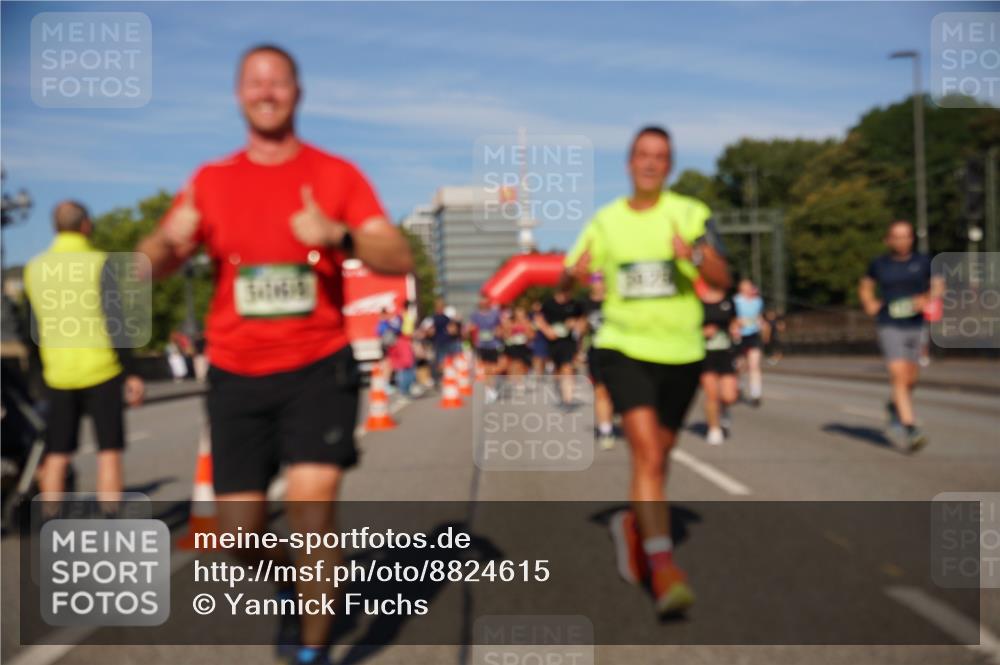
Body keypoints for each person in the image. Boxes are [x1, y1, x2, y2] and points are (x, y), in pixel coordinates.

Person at [136, 44, 413, 665]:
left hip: (318, 367)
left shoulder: (336, 175)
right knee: (238, 538)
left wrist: (339, 236)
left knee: (314, 520)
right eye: (254, 83)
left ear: (298, 91)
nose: (266, 92)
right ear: (239, 95)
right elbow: (161, 250)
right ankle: (294, 586)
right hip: (236, 372)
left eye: (278, 82)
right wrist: (154, 252)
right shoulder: (212, 181)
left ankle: (312, 654)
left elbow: (398, 257)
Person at [565, 125, 730, 616]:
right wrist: (581, 275)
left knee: (660, 454)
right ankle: (663, 567)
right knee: (645, 453)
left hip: (680, 350)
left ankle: (633, 525)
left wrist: (696, 256)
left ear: (670, 165)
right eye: (643, 155)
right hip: (622, 346)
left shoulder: (690, 214)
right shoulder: (606, 220)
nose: (651, 163)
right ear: (629, 164)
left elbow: (723, 276)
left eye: (660, 156)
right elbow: (575, 270)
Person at [24, 201, 145, 499]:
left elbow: (32, 332)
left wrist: (38, 378)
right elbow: (116, 321)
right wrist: (131, 372)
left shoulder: (34, 268)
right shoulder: (99, 262)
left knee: (57, 454)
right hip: (101, 368)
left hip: (58, 373)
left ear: (55, 227)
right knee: (109, 452)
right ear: (86, 225)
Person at [858, 220, 942, 452]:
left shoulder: (923, 261)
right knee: (898, 375)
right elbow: (865, 286)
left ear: (912, 239)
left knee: (910, 378)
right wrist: (869, 303)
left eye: (906, 236)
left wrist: (926, 299)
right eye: (897, 236)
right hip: (889, 323)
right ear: (888, 240)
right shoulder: (879, 264)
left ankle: (895, 407)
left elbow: (938, 285)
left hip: (915, 324)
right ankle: (910, 426)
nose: (902, 240)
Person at [700, 280, 739, 445]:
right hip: (704, 353)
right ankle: (714, 428)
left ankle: (724, 411)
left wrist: (736, 329)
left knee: (729, 396)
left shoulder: (728, 302)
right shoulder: (697, 302)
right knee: (712, 394)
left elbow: (734, 321)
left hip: (725, 353)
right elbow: (686, 326)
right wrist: (702, 331)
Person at [534, 279, 583, 407]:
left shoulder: (575, 304)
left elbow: (582, 319)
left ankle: (568, 398)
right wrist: (547, 330)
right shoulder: (549, 304)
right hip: (553, 341)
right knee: (557, 369)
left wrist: (575, 324)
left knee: (567, 367)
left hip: (568, 341)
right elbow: (538, 318)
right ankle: (561, 391)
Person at [582, 274, 616, 450]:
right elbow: (582, 329)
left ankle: (614, 415)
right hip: (596, 352)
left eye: (602, 279)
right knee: (601, 391)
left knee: (617, 391)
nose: (599, 284)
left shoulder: (617, 301)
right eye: (595, 280)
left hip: (619, 351)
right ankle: (605, 429)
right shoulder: (585, 304)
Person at [734, 278, 765, 407]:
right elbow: (731, 317)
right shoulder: (736, 300)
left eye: (749, 286)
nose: (747, 288)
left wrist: (761, 324)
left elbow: (759, 316)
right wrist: (736, 324)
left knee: (754, 365)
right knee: (740, 365)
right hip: (739, 335)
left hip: (753, 335)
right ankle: (739, 387)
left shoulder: (758, 301)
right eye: (744, 286)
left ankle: (755, 394)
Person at [469, 296, 503, 401]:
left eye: (485, 303)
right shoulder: (475, 315)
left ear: (489, 303)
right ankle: (489, 389)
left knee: (493, 367)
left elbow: (500, 326)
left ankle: (491, 387)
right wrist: (471, 330)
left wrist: (498, 331)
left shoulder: (495, 314)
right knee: (485, 367)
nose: (483, 305)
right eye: (481, 303)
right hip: (481, 344)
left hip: (493, 344)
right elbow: (471, 327)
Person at [501, 306, 533, 392]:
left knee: (522, 365)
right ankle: (516, 381)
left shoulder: (527, 322)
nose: (520, 315)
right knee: (514, 363)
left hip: (523, 346)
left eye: (522, 314)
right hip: (512, 345)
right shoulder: (509, 322)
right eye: (519, 313)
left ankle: (519, 380)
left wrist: (525, 328)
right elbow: (505, 334)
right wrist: (510, 331)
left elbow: (531, 335)